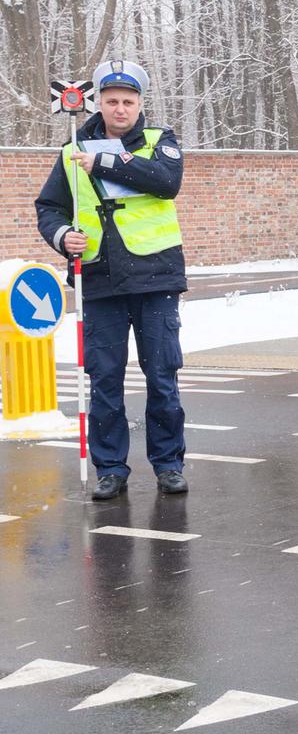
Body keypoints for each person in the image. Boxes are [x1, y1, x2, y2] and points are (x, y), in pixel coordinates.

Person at [35, 59, 189, 500]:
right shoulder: (69, 151)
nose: (120, 109)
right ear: (97, 104)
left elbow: (164, 182)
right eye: (111, 101)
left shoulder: (160, 141)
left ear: (140, 104)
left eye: (128, 101)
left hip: (155, 278)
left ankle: (168, 464)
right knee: (104, 379)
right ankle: (110, 469)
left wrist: (103, 159)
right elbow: (49, 208)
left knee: (161, 376)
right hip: (99, 279)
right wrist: (63, 237)